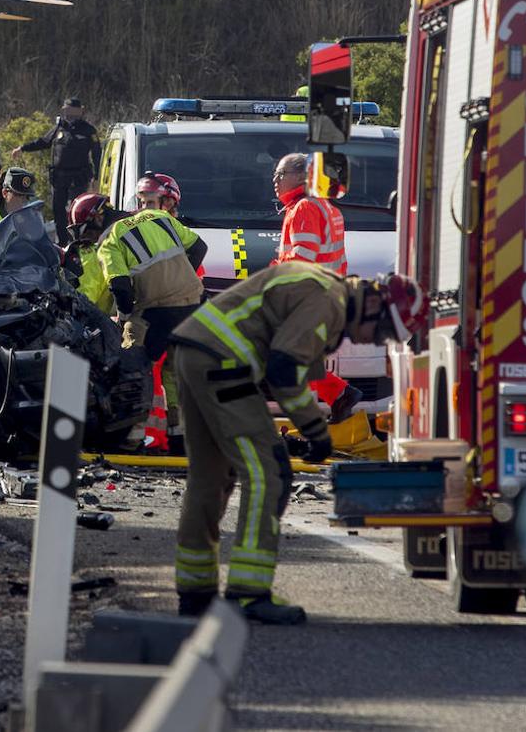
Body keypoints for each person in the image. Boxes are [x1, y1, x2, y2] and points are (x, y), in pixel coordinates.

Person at [170, 267, 427, 623]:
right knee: (269, 474)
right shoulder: (329, 300)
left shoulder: (324, 290)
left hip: (194, 352)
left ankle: (195, 597)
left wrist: (308, 421)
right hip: (225, 364)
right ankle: (248, 595)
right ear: (372, 303)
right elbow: (284, 367)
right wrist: (314, 430)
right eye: (382, 330)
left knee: (209, 478)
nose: (375, 340)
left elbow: (291, 363)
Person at [96, 203, 207, 449]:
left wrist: (125, 319)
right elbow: (200, 246)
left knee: (130, 361)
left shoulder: (109, 242)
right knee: (175, 369)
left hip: (156, 311)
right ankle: (180, 436)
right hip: (195, 304)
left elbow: (121, 289)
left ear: (95, 225)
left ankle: (131, 436)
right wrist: (181, 278)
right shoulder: (157, 216)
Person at [272, 152, 361, 422]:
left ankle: (334, 398)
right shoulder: (326, 206)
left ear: (302, 176)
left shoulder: (304, 208)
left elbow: (303, 257)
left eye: (281, 174)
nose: (275, 181)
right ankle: (339, 394)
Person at [11, 97, 101, 247]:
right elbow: (43, 142)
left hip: (79, 177)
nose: (69, 113)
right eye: (66, 110)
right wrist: (22, 149)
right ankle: (63, 243)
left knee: (77, 210)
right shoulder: (59, 128)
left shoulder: (88, 130)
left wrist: (97, 177)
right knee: (58, 210)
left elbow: (97, 154)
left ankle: (78, 241)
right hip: (59, 177)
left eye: (72, 110)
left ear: (80, 111)